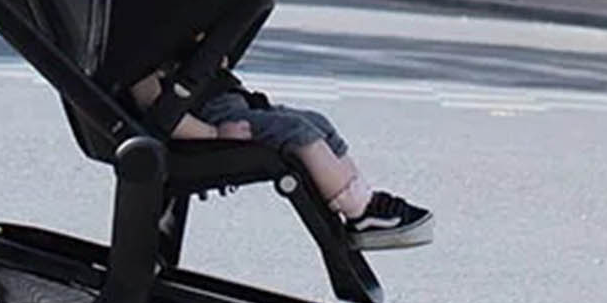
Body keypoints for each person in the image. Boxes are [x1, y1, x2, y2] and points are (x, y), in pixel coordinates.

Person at [132, 71, 433, 250]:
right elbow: (157, 109)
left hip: (230, 106)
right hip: (212, 123)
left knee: (317, 123)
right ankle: (358, 210)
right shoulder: (144, 51)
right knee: (296, 133)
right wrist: (212, 133)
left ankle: (364, 197)